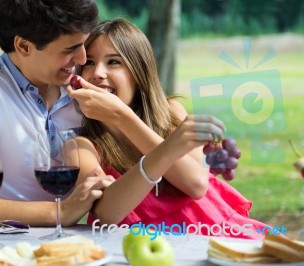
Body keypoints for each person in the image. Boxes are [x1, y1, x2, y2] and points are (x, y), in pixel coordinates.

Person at [67, 18, 268, 239]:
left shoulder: (171, 113)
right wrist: (122, 117)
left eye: (114, 62)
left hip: (214, 235)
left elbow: (196, 185)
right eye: (89, 63)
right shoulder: (83, 147)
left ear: (138, 72)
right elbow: (107, 214)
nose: (98, 73)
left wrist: (124, 119)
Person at [0, 0, 118, 227]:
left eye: (83, 45)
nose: (82, 59)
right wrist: (57, 212)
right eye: (69, 49)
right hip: (2, 249)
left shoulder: (87, 79)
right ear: (23, 46)